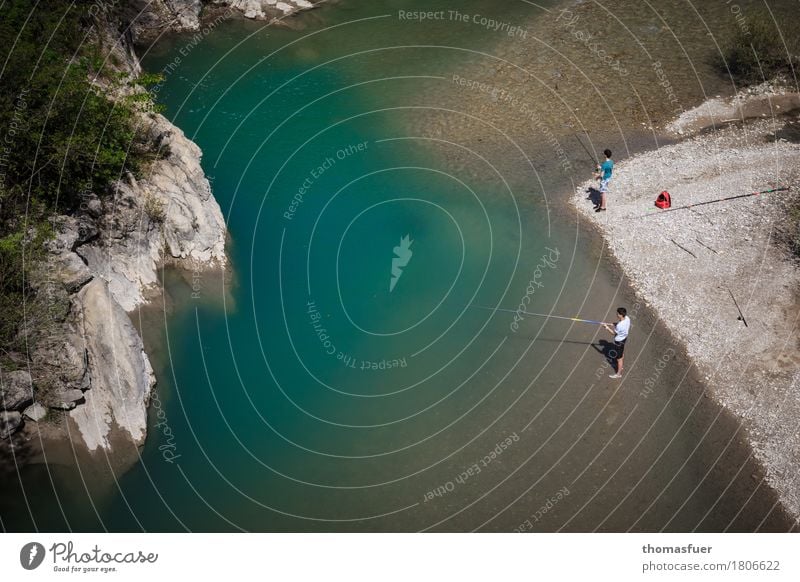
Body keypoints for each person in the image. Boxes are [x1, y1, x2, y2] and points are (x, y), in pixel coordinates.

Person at [603, 307, 629, 378]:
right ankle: (621, 366)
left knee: (619, 359)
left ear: (621, 315)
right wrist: (614, 324)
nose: (617, 314)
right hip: (624, 339)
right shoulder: (627, 318)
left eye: (617, 313)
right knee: (621, 353)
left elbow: (613, 333)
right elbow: (620, 324)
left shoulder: (620, 326)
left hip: (619, 342)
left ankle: (618, 374)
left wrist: (606, 327)